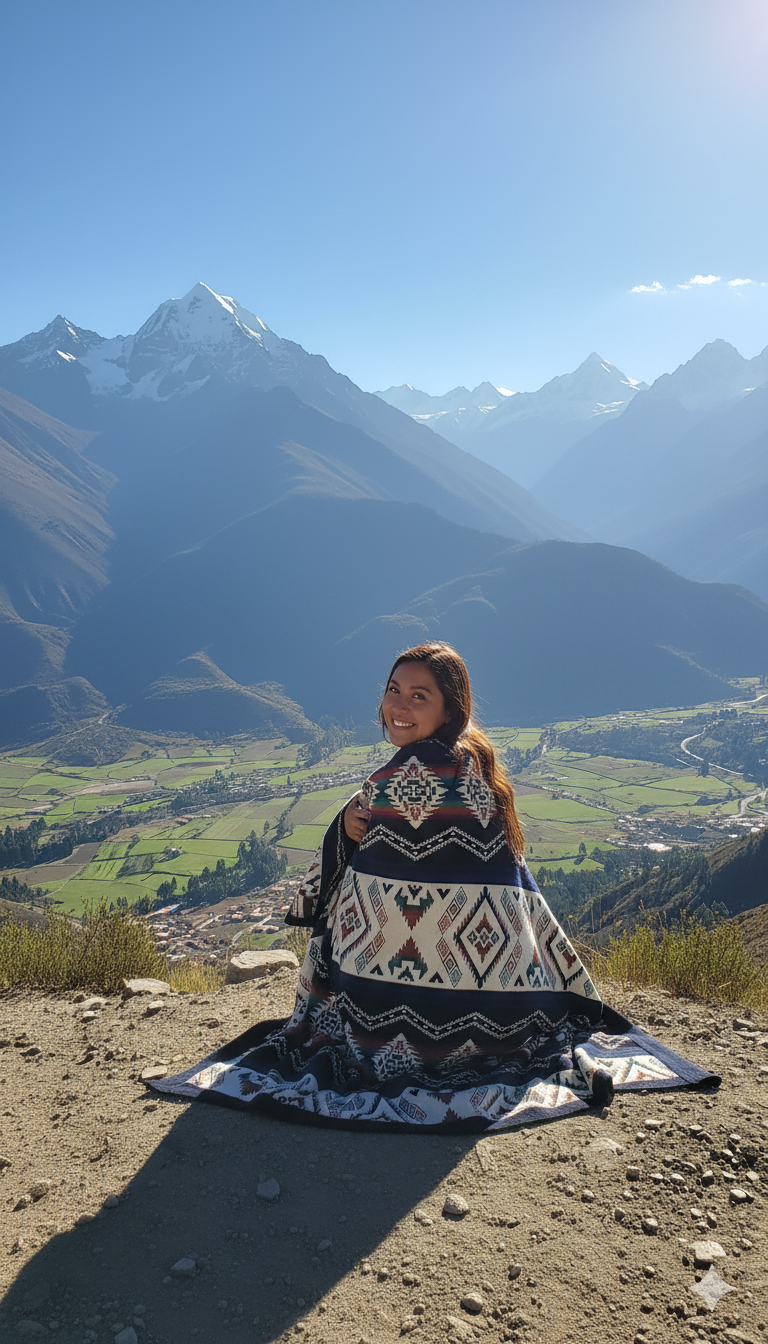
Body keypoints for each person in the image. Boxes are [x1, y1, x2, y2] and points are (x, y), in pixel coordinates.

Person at [154, 643, 717, 1129]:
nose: (398, 705)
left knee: (334, 951)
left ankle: (363, 1024)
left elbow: (355, 880)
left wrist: (347, 823)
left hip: (379, 1015)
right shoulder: (479, 768)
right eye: (393, 689)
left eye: (418, 696)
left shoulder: (398, 778)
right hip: (499, 1010)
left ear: (451, 706)